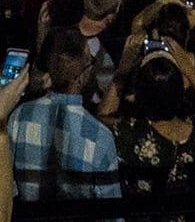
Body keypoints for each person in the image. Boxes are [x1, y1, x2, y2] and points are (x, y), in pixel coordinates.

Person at [99, 35, 195, 199]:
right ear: (182, 92)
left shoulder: (129, 134)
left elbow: (101, 119)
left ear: (138, 95)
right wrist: (189, 70)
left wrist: (123, 70)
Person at [8, 28, 121, 202]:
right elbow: (111, 208)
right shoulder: (101, 137)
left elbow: (9, 188)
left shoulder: (19, 117)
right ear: (83, 76)